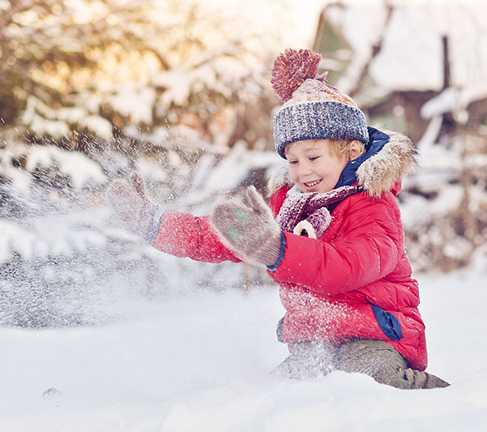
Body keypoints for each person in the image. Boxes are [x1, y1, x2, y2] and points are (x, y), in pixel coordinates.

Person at [106, 49, 449, 389]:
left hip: (376, 338)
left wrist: (278, 249)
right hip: (312, 346)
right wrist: (154, 223)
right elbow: (217, 236)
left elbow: (349, 267)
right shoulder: (290, 208)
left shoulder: (373, 206)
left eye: (313, 157)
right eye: (293, 160)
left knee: (376, 384)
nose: (303, 171)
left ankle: (446, 401)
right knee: (273, 395)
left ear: (353, 151)